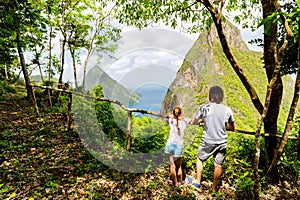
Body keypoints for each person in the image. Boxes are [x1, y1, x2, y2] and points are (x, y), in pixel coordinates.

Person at [189, 86, 235, 192]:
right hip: (222, 142)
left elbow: (194, 121)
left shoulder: (204, 108)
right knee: (218, 164)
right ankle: (214, 189)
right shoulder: (227, 110)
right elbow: (232, 127)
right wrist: (222, 125)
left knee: (200, 158)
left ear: (210, 96)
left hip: (208, 141)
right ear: (221, 97)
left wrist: (202, 122)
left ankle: (197, 181)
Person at [165, 106, 190, 187]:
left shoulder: (171, 120)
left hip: (170, 144)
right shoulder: (184, 121)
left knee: (172, 165)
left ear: (173, 113)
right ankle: (180, 181)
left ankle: (175, 183)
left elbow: (168, 115)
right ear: (180, 113)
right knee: (179, 166)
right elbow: (192, 120)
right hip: (178, 145)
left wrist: (171, 115)